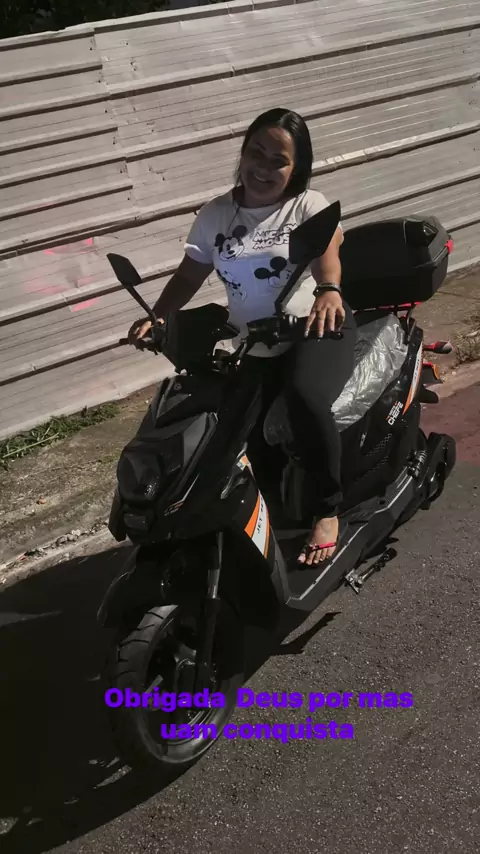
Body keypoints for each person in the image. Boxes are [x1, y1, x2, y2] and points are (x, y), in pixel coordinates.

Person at [127, 107, 357, 566]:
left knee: (304, 399)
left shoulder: (307, 206)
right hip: (254, 339)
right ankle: (261, 511)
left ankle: (327, 509)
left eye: (278, 160)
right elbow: (188, 274)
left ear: (297, 167)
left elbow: (327, 254)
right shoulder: (217, 214)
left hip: (314, 327)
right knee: (235, 424)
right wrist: (158, 317)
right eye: (257, 153)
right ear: (243, 152)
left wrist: (329, 290)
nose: (263, 167)